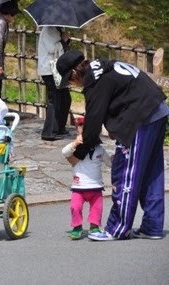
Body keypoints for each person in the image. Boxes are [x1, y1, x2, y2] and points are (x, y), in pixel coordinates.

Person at [56, 49, 169, 241]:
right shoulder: (105, 67)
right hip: (157, 110)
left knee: (126, 172)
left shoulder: (96, 82)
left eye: (69, 81)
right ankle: (152, 226)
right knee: (151, 171)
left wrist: (79, 152)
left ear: (74, 73)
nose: (71, 85)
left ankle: (117, 228)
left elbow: (92, 126)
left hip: (139, 118)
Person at [62, 116, 111, 240]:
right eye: (82, 126)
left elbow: (109, 162)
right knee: (75, 207)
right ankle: (77, 227)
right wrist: (74, 144)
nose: (85, 129)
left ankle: (94, 226)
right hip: (79, 186)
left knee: (97, 208)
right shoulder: (76, 147)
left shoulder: (100, 149)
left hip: (96, 186)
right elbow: (65, 152)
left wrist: (116, 160)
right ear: (77, 129)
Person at [37, 26, 72, 141]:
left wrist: (65, 40)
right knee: (54, 99)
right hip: (49, 69)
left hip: (57, 69)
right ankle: (49, 132)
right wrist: (63, 40)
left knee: (65, 98)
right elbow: (51, 49)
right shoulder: (48, 30)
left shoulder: (58, 28)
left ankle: (60, 128)